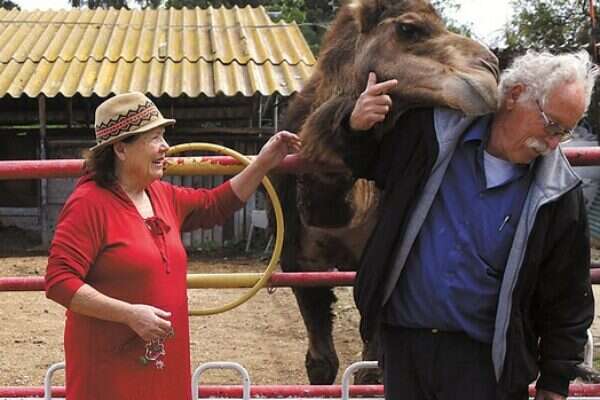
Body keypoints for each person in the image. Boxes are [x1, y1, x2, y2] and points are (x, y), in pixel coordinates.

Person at [340, 51, 598, 400]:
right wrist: (357, 127)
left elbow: (567, 295)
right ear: (515, 94)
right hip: (404, 346)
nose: (552, 144)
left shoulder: (559, 194)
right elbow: (369, 163)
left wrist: (555, 382)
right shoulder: (430, 135)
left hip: (485, 365)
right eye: (551, 125)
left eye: (564, 134)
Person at [44, 92, 300, 400]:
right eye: (154, 138)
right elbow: (59, 281)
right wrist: (129, 314)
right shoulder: (88, 205)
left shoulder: (160, 195)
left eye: (163, 136)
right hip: (109, 367)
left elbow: (215, 205)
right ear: (121, 149)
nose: (165, 146)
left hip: (162, 363)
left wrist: (263, 162)